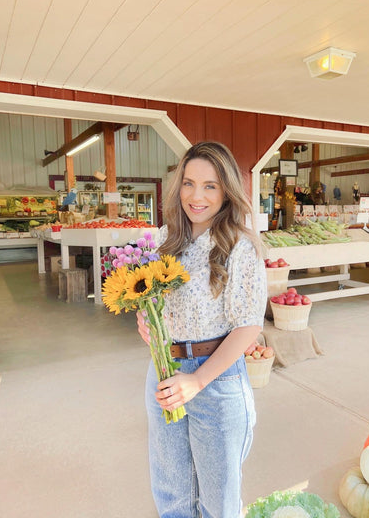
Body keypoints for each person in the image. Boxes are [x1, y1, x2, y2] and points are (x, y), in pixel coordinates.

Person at [137, 141, 267, 518]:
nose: (196, 196)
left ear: (226, 189)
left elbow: (248, 327)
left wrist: (197, 381)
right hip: (163, 374)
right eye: (189, 183)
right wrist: (145, 320)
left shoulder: (240, 245)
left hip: (217, 381)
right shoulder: (166, 239)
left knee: (218, 502)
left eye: (210, 185)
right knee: (172, 493)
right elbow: (148, 296)